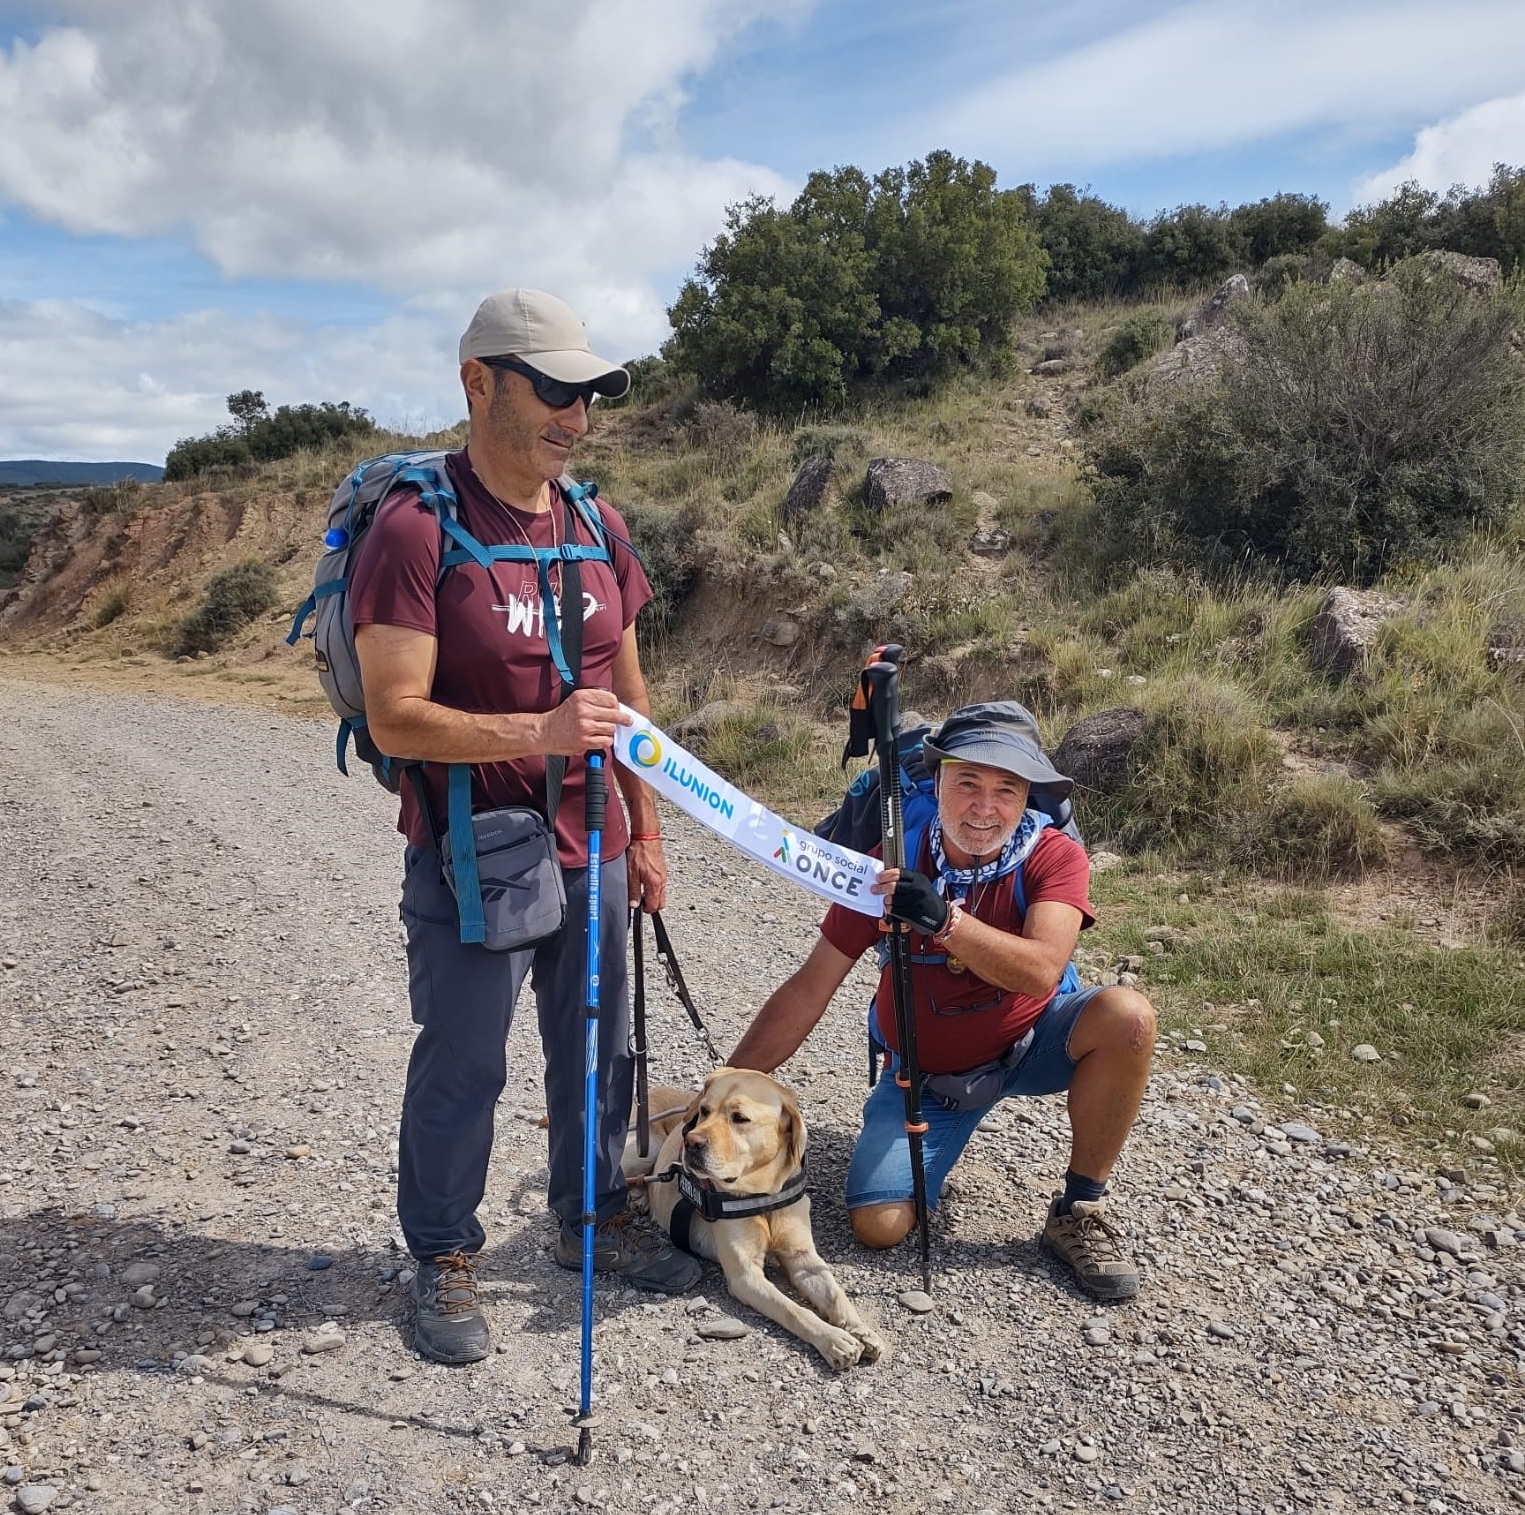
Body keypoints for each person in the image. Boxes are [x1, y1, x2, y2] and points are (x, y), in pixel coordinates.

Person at [349, 287, 700, 1366]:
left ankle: (590, 1214)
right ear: (478, 384)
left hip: (592, 839)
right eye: (553, 392)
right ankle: (444, 1253)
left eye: (586, 396)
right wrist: (539, 728)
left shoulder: (598, 526)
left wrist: (643, 834)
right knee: (466, 1062)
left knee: (600, 1045)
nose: (576, 418)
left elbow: (627, 708)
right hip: (473, 847)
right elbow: (394, 712)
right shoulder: (414, 532)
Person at [730, 702, 1157, 1301]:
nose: (985, 808)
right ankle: (936, 1141)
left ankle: (1079, 1209)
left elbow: (1041, 971)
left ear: (1027, 794)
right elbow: (809, 987)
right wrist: (726, 1084)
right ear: (938, 782)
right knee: (878, 1229)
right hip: (927, 1077)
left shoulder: (1054, 854)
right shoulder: (889, 866)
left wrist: (944, 921)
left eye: (1006, 789)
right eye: (968, 783)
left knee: (1127, 1017)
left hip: (1031, 1043)